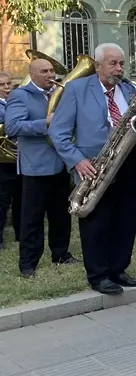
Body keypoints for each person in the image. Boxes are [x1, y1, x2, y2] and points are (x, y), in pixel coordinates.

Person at [49, 43, 136, 295]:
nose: (119, 68)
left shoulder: (128, 89)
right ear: (98, 65)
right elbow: (58, 132)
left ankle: (118, 268)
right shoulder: (76, 89)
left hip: (125, 163)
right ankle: (98, 274)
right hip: (93, 166)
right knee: (97, 222)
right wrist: (78, 160)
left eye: (122, 63)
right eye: (113, 63)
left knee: (125, 220)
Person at [6, 60, 77, 277]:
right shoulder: (21, 95)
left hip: (60, 164)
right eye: (44, 71)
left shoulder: (61, 93)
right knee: (32, 219)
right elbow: (13, 126)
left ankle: (61, 254)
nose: (50, 74)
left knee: (61, 215)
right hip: (35, 167)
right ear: (32, 74)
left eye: (52, 70)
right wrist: (44, 122)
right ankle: (28, 264)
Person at [0, 71, 21, 250]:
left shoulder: (12, 102)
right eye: (2, 85)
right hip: (3, 160)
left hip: (17, 157)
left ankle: (20, 233)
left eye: (8, 84)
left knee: (20, 197)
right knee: (2, 199)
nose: (7, 88)